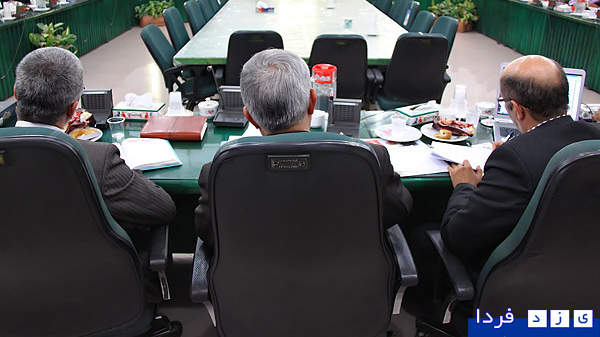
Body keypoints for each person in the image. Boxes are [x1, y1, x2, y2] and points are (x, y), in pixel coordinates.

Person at [195, 49, 413, 251]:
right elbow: (399, 210)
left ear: (249, 117)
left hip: (252, 281)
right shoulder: (371, 159)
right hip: (352, 279)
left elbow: (208, 233)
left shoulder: (218, 171)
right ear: (312, 102)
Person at [13, 48, 177, 301]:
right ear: (73, 109)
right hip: (94, 293)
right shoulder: (97, 160)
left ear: (15, 93)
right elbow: (163, 208)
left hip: (13, 294)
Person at [440, 55, 600, 277]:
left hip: (521, 281)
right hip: (586, 273)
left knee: (422, 236)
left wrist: (464, 187)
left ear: (517, 109)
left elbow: (457, 238)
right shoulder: (595, 136)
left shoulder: (513, 159)